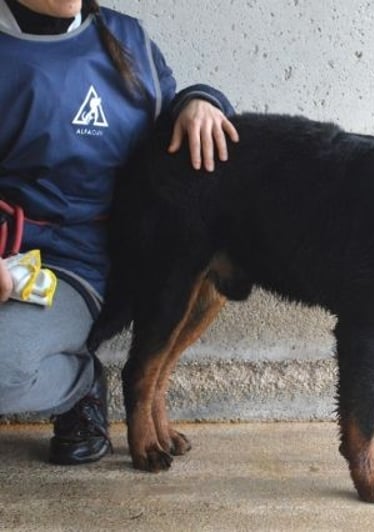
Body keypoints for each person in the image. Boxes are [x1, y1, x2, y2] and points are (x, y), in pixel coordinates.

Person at [0, 0, 239, 465]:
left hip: (84, 269)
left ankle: (79, 386)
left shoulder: (129, 39)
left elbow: (171, 113)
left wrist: (200, 101)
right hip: (16, 258)